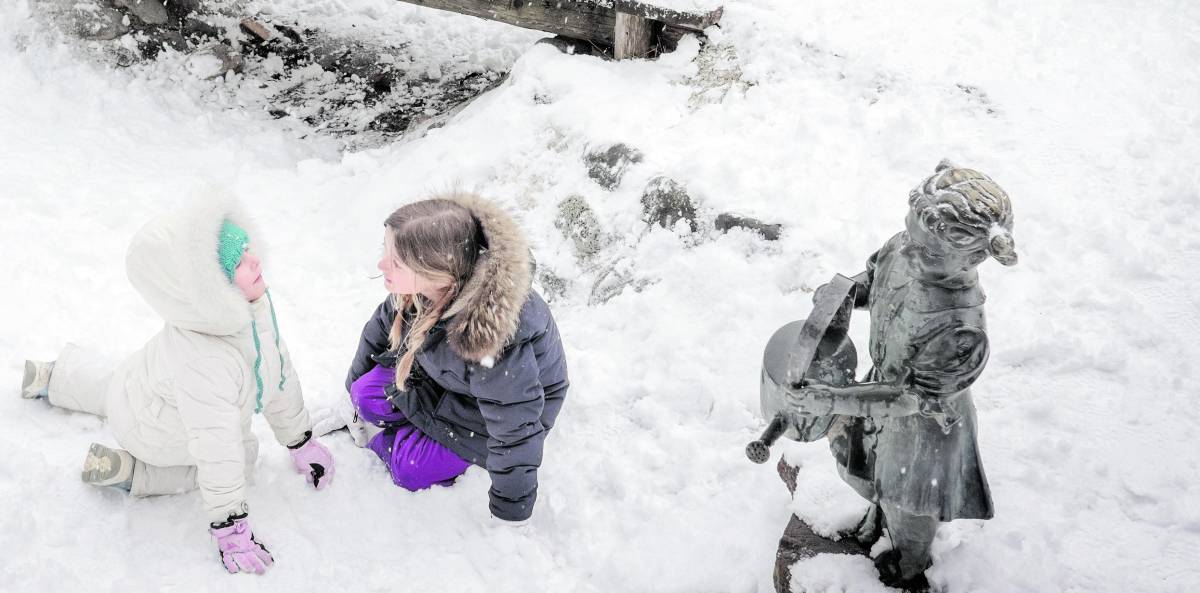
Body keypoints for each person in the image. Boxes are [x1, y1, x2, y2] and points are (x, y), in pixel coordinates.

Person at [19, 198, 334, 575]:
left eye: (247, 248)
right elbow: (216, 447)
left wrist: (301, 440)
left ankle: (56, 377)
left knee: (121, 384)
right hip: (155, 433)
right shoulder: (206, 359)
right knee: (243, 455)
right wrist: (230, 526)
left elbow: (277, 375)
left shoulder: (247, 309)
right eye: (236, 263)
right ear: (209, 292)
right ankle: (137, 472)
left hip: (138, 387)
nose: (253, 260)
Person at [790, 161, 1016, 587]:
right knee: (869, 469)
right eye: (909, 234)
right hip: (882, 388)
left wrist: (832, 398)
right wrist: (843, 295)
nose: (907, 251)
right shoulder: (909, 246)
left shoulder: (961, 329)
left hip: (923, 429)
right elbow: (876, 279)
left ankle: (911, 564)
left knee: (909, 499)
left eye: (926, 250)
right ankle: (880, 518)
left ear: (972, 255)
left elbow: (908, 398)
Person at [344, 191, 568, 523]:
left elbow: (516, 426)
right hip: (445, 380)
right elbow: (378, 331)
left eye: (396, 261)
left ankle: (410, 442)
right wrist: (351, 393)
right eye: (385, 252)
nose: (382, 265)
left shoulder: (493, 341)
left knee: (409, 469)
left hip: (484, 416)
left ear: (437, 273)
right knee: (365, 396)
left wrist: (512, 507)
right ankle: (417, 428)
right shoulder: (422, 291)